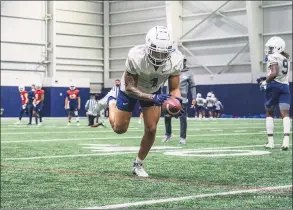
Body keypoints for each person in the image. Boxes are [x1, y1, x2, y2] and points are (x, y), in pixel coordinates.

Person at [105, 26, 184, 177]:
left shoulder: (176, 59)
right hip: (131, 89)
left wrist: (176, 102)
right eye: (156, 52)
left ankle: (138, 164)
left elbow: (174, 89)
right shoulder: (136, 55)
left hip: (153, 90)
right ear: (148, 47)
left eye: (163, 53)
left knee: (152, 129)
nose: (159, 57)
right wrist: (153, 98)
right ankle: (111, 99)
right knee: (119, 128)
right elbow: (130, 87)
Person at [257, 36, 291, 150]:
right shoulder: (286, 58)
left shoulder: (273, 56)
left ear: (278, 47)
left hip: (274, 86)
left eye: (271, 48)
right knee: (285, 115)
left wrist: (265, 82)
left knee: (269, 113)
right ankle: (286, 141)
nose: (269, 50)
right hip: (285, 87)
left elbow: (274, 72)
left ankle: (271, 142)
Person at [161, 57, 197, 144]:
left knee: (183, 118)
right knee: (167, 117)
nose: (183, 62)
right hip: (170, 99)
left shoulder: (188, 73)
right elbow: (162, 81)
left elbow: (192, 86)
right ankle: (168, 134)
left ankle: (182, 137)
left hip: (182, 99)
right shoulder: (171, 70)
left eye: (184, 61)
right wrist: (161, 92)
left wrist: (194, 98)